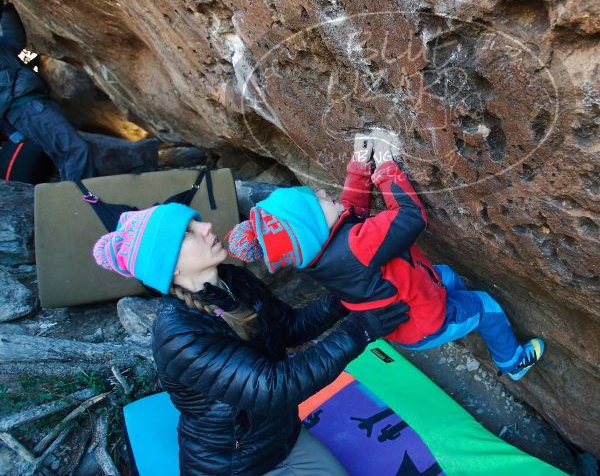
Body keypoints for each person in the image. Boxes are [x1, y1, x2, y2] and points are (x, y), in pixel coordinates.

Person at [92, 203, 409, 474]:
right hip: (235, 464)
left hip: (282, 437)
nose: (206, 226)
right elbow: (274, 387)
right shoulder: (179, 335)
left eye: (196, 219)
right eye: (188, 231)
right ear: (167, 265)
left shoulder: (234, 278)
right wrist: (360, 329)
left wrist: (344, 299)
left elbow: (289, 328)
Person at [227, 132, 545, 381]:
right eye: (318, 201)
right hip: (424, 322)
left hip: (410, 307)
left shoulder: (317, 255)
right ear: (312, 230)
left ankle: (453, 309)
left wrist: (359, 165)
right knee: (485, 306)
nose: (324, 193)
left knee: (446, 275)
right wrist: (385, 166)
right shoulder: (355, 248)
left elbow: (351, 210)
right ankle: (512, 361)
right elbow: (409, 216)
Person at [0, 0, 94, 180]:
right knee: (76, 150)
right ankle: (80, 202)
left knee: (66, 153)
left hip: (34, 104)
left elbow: (15, 40)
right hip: (27, 107)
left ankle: (74, 199)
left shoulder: (4, 50)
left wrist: (5, 7)